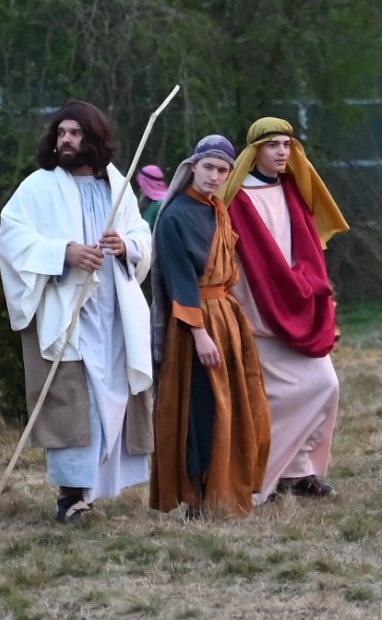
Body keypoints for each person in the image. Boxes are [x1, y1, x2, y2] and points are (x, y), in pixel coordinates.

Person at [0, 100, 154, 523]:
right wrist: (62, 253)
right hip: (67, 310)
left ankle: (95, 490)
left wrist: (127, 245)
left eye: (76, 133)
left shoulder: (116, 185)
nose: (66, 140)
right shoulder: (38, 187)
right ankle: (71, 497)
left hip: (112, 313)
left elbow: (141, 234)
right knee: (74, 402)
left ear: (95, 138)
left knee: (110, 398)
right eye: (61, 133)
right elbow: (12, 237)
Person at [216, 117, 349, 502]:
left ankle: (297, 470)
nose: (282, 152)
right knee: (271, 399)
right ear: (255, 150)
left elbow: (307, 251)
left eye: (287, 145)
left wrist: (307, 290)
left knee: (324, 385)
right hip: (256, 312)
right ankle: (266, 478)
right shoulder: (236, 197)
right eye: (273, 144)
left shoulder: (292, 190)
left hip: (298, 304)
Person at [148, 135, 271, 517]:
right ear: (192, 167)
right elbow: (179, 280)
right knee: (202, 408)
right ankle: (198, 498)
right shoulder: (174, 216)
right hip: (194, 325)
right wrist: (200, 334)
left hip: (226, 319)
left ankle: (226, 489)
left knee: (236, 405)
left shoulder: (217, 209)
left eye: (222, 170)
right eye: (209, 168)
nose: (214, 176)